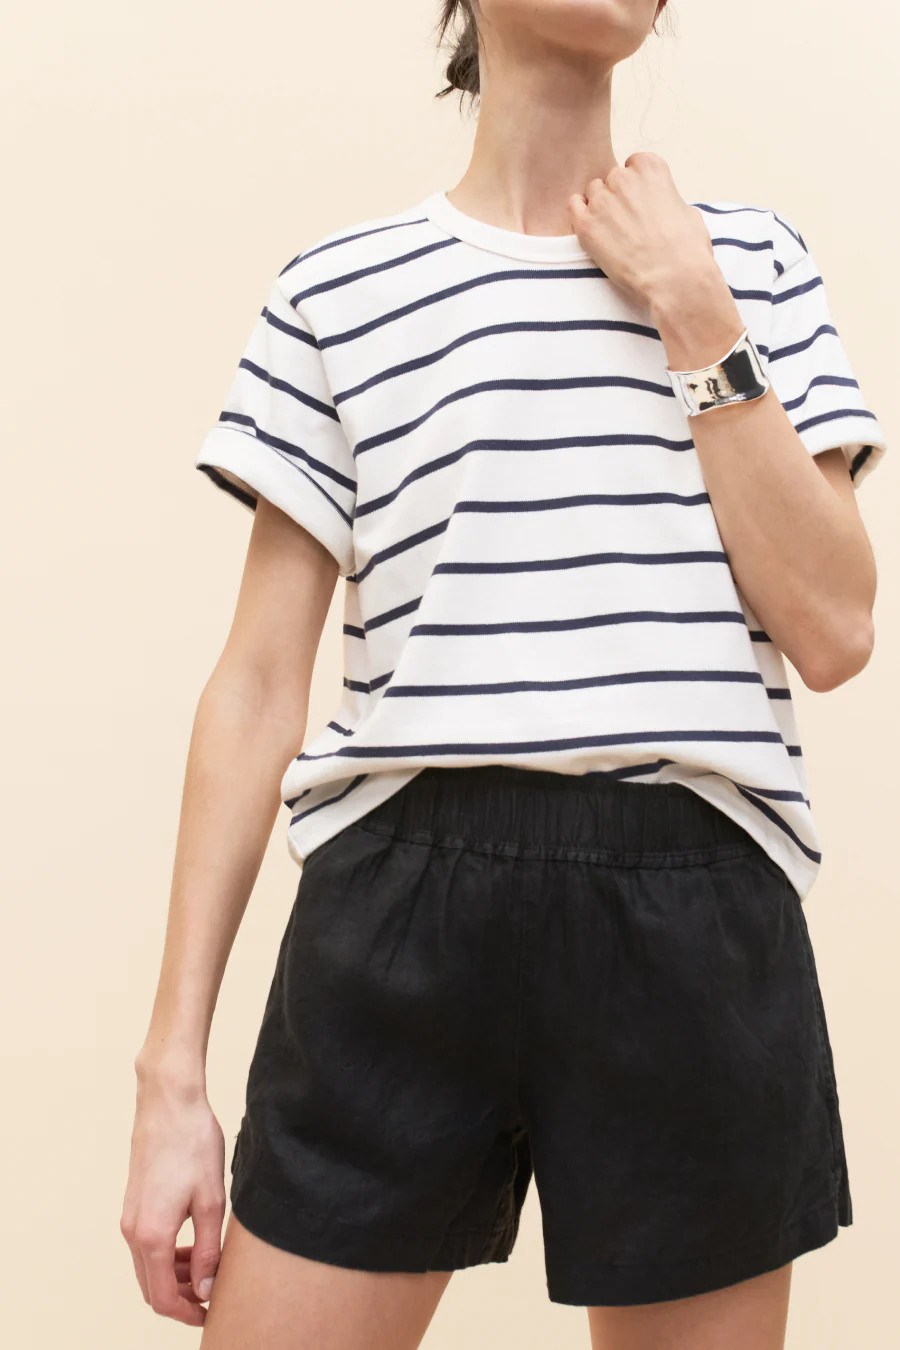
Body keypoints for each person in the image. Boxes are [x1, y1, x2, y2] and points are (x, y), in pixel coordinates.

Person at [120, 3, 888, 1347]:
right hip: (400, 906)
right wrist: (169, 1075)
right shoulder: (338, 291)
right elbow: (255, 688)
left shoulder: (752, 264)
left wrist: (696, 310)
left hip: (693, 907)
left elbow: (833, 629)